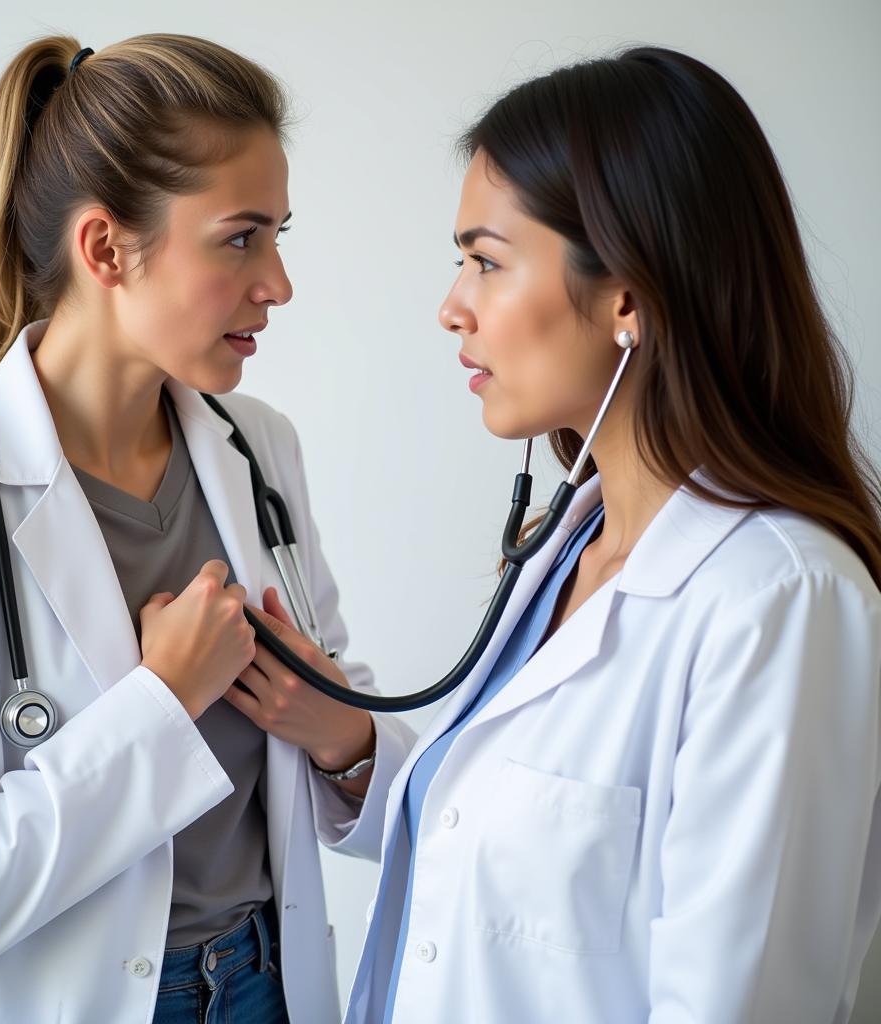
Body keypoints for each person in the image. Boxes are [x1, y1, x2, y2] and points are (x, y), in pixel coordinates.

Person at [0, 33, 414, 1024]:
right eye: (241, 237)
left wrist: (342, 735)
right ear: (107, 249)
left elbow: (354, 777)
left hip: (266, 983)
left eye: (279, 235)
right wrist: (160, 701)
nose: (278, 283)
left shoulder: (260, 451)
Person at [331, 45, 881, 1023]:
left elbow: (739, 1001)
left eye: (485, 262)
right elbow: (513, 861)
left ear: (626, 296)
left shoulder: (778, 599)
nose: (451, 306)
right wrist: (339, 740)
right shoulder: (565, 547)